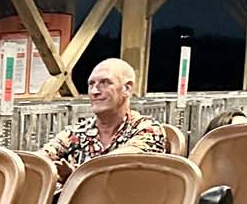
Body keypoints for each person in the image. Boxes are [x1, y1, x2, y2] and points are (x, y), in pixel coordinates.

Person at [40, 57, 168, 184]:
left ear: (127, 89)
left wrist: (76, 175)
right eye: (91, 84)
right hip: (74, 197)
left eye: (105, 83)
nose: (94, 91)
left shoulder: (148, 129)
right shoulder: (77, 132)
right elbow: (44, 155)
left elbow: (122, 160)